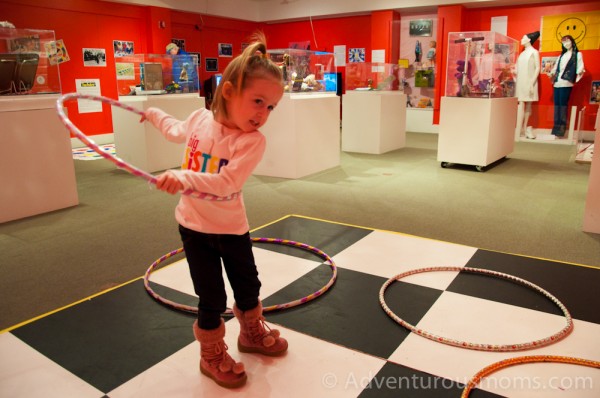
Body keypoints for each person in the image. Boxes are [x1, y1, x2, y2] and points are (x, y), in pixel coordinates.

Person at [144, 34, 286, 388]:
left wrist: (182, 176)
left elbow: (226, 183)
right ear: (228, 92)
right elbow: (175, 130)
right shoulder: (198, 119)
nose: (263, 114)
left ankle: (250, 332)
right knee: (210, 296)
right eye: (257, 101)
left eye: (270, 107)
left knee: (248, 285)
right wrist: (154, 113)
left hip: (232, 228)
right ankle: (210, 354)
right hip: (193, 227)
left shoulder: (250, 141)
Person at [548, 35, 584, 138]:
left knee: (563, 105)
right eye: (564, 42)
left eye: (568, 41)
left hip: (566, 82)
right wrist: (551, 74)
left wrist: (580, 71)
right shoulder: (561, 56)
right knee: (557, 106)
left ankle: (561, 129)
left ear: (572, 42)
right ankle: (556, 128)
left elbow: (580, 67)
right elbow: (555, 69)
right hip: (557, 82)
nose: (566, 44)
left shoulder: (577, 54)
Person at [515, 31, 540, 139]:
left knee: (528, 104)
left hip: (530, 81)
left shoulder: (534, 52)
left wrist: (532, 82)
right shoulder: (522, 54)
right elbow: (517, 67)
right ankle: (519, 128)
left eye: (523, 38)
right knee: (520, 103)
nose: (521, 39)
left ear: (529, 40)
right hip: (520, 81)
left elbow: (538, 67)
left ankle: (525, 127)